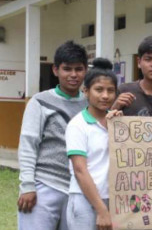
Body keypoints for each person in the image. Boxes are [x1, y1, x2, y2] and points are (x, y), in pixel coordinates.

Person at [17, 41, 88, 230]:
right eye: (67, 69)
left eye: (79, 69)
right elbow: (28, 145)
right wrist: (28, 186)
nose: (73, 75)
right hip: (44, 186)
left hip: (79, 190)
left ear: (85, 71)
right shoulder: (40, 102)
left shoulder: (91, 105)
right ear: (56, 70)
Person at [65, 58, 122, 230]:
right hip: (85, 199)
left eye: (110, 90)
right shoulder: (78, 125)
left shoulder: (117, 122)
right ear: (85, 91)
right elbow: (80, 170)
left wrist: (121, 127)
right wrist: (102, 210)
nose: (105, 95)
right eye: (98, 90)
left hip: (113, 198)